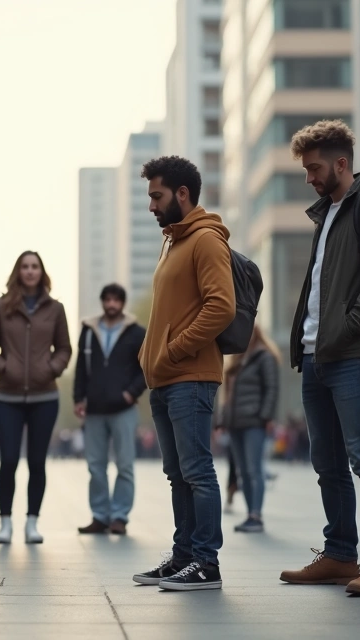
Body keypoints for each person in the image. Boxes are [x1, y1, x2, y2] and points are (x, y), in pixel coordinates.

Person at [279, 120, 360, 597]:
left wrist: (348, 328)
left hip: (354, 355)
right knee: (327, 464)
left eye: (314, 169)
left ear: (341, 163)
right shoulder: (326, 214)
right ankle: (338, 554)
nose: (309, 177)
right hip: (317, 356)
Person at [129, 155, 235, 592]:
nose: (151, 205)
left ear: (183, 194)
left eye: (157, 196)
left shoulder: (206, 240)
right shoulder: (173, 242)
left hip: (190, 376)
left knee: (197, 472)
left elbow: (221, 306)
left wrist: (173, 349)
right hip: (165, 378)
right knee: (178, 474)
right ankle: (184, 556)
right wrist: (149, 355)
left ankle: (207, 563)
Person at [0, 251, 73, 545]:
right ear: (18, 271)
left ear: (41, 272)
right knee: (8, 460)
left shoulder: (55, 309)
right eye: (25, 266)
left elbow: (65, 348)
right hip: (7, 397)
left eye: (35, 266)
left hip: (45, 397)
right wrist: (4, 368)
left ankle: (32, 523)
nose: (30, 271)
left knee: (37, 462)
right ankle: (5, 523)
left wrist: (51, 368)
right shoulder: (0, 306)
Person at [73, 283, 147, 536]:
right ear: (102, 301)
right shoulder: (88, 331)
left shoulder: (137, 333)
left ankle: (119, 517)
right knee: (95, 466)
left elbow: (146, 368)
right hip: (94, 409)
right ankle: (100, 516)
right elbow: (81, 367)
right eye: (108, 299)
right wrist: (78, 398)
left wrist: (131, 393)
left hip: (124, 409)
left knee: (125, 465)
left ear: (123, 303)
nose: (112, 304)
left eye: (116, 300)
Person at [221, 324, 280, 534]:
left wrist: (266, 416)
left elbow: (272, 388)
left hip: (254, 422)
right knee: (243, 471)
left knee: (255, 469)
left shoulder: (265, 357)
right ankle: (250, 515)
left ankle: (256, 515)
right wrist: (222, 420)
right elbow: (227, 395)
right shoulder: (236, 360)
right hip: (235, 423)